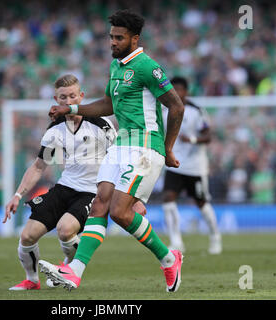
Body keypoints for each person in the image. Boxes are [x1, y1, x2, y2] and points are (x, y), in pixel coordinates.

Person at [39, 9, 185, 293]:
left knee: (120, 212)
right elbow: (108, 105)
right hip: (121, 145)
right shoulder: (117, 67)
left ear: (135, 39)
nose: (113, 42)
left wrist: (168, 148)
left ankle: (169, 258)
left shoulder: (147, 67)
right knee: (99, 204)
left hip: (144, 145)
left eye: (119, 38)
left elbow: (176, 106)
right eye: (111, 37)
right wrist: (70, 109)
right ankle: (75, 272)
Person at [2, 74, 144, 290]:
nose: (68, 101)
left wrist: (134, 198)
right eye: (63, 97)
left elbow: (121, 160)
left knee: (65, 229)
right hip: (65, 186)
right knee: (27, 235)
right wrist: (17, 195)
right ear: (56, 100)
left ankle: (69, 267)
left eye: (72, 96)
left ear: (81, 97)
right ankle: (32, 281)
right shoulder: (54, 130)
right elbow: (39, 166)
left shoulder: (101, 124)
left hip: (93, 192)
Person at [161, 76, 222, 255]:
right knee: (167, 199)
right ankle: (176, 241)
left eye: (180, 89)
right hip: (173, 164)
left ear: (186, 91)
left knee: (201, 202)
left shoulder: (196, 111)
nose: (177, 93)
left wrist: (192, 139)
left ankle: (215, 236)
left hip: (195, 166)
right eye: (174, 89)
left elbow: (208, 136)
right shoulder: (165, 111)